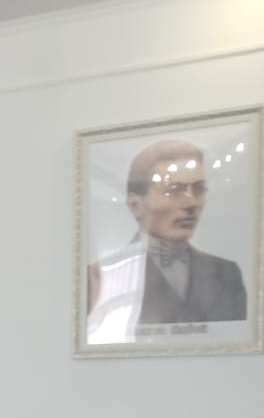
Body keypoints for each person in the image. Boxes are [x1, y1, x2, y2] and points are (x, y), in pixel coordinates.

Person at [86, 138, 249, 342]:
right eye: (173, 190)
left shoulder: (228, 274)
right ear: (135, 204)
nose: (191, 203)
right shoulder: (99, 277)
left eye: (199, 189)